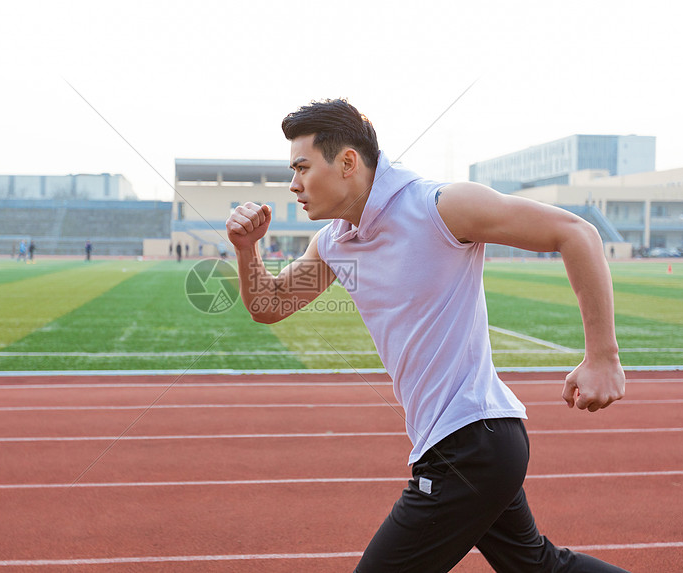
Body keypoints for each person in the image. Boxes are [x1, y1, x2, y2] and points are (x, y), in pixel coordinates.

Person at [226, 99, 627, 573]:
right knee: (540, 568)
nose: (293, 184)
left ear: (348, 162)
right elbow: (270, 306)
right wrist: (247, 249)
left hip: (471, 442)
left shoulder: (440, 206)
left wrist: (602, 355)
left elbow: (576, 233)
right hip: (470, 443)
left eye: (302, 167)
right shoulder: (335, 242)